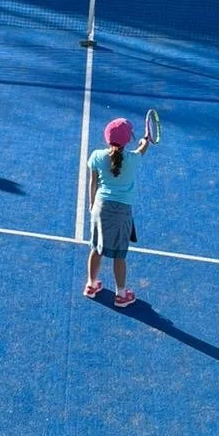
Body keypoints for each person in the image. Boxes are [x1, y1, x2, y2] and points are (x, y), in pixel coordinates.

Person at [83, 117, 151, 306]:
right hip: (121, 212)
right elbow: (142, 149)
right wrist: (146, 140)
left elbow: (93, 182)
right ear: (128, 140)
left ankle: (91, 285)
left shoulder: (96, 155)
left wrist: (91, 205)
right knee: (119, 255)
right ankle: (121, 295)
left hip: (99, 207)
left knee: (96, 248)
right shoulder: (132, 159)